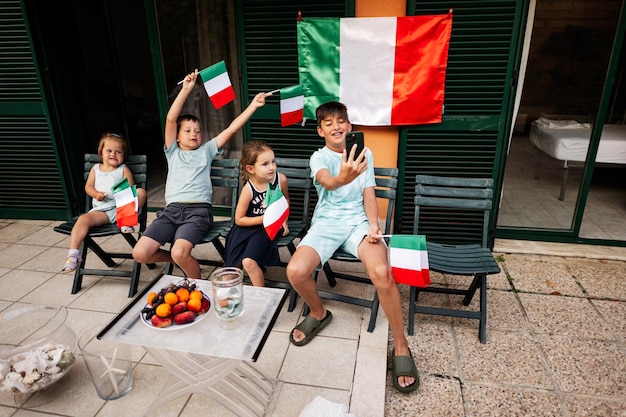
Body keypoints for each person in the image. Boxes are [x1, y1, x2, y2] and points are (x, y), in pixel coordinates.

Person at [286, 101, 419, 393]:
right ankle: (318, 312)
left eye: (341, 121)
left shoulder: (364, 153)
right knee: (295, 271)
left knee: (383, 272)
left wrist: (374, 224)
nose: (336, 127)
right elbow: (328, 182)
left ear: (349, 126)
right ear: (320, 131)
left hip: (357, 222)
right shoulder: (318, 157)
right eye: (329, 123)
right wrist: (342, 177)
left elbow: (368, 193)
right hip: (325, 225)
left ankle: (400, 344)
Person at [132, 69, 267, 279]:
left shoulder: (207, 150)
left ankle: (197, 284)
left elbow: (231, 129)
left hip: (197, 212)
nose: (194, 134)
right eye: (187, 130)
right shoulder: (172, 152)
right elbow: (170, 119)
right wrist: (186, 90)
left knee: (180, 251)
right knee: (140, 253)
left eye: (197, 130)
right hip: (171, 211)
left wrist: (253, 107)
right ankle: (181, 261)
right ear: (176, 137)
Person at [62, 133, 147, 273]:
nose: (113, 154)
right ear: (101, 153)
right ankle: (73, 254)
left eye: (118, 151)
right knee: (83, 219)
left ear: (123, 155)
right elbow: (88, 187)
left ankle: (126, 221)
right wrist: (96, 194)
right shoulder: (95, 169)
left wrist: (120, 194)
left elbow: (130, 191)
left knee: (140, 192)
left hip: (121, 209)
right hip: (101, 212)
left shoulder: (123, 169)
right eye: (109, 151)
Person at [224, 140, 290, 286]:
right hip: (249, 224)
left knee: (248, 261)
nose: (272, 167)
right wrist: (264, 218)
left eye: (273, 161)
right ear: (251, 169)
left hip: (268, 227)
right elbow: (239, 220)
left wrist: (283, 220)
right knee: (231, 267)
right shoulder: (249, 189)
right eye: (265, 164)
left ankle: (261, 295)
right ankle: (227, 293)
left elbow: (285, 201)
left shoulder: (281, 180)